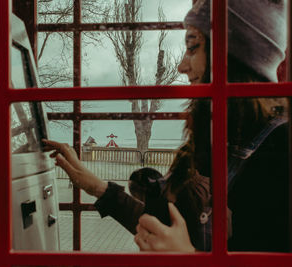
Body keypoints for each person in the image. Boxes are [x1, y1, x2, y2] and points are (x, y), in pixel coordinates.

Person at [43, 0, 289, 253]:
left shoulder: (280, 155)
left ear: (232, 60)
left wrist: (187, 258)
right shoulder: (219, 146)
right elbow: (168, 232)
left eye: (193, 47)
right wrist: (97, 187)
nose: (181, 66)